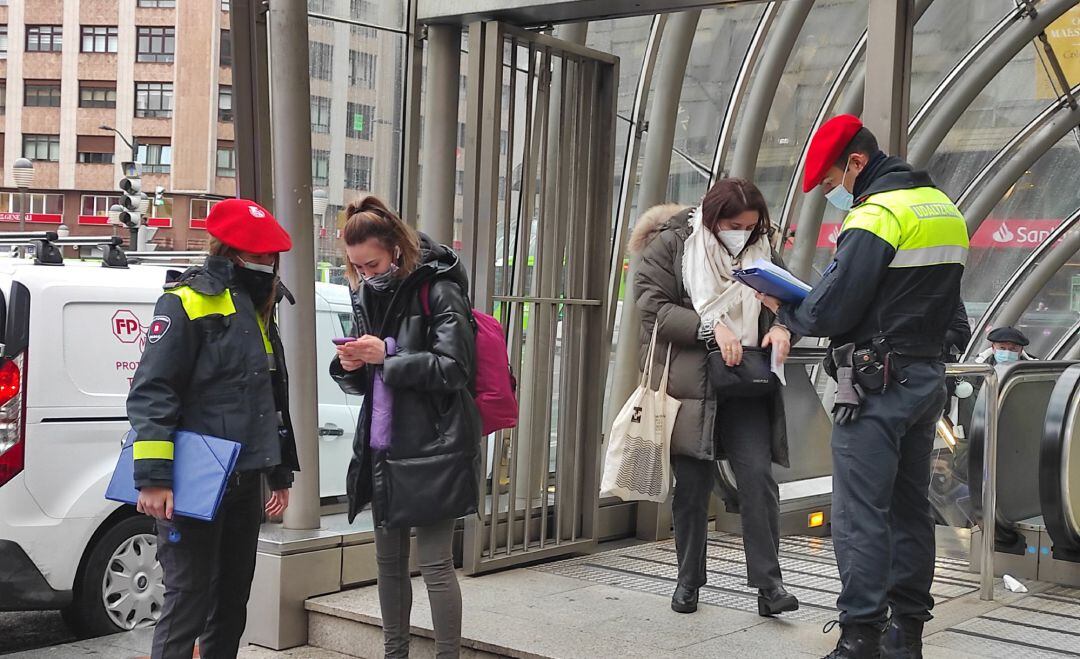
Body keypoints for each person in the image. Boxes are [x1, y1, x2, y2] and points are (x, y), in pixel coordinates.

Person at [756, 115, 969, 659]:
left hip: (874, 386)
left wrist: (786, 308)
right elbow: (952, 312)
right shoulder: (943, 209)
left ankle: (860, 638)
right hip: (924, 383)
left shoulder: (876, 214)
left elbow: (834, 306)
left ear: (855, 163)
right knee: (909, 509)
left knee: (859, 514)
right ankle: (907, 636)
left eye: (831, 183)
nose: (833, 194)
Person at [127, 198, 300, 659]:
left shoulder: (260, 309)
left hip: (244, 478)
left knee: (231, 600)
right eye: (257, 256)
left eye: (271, 257)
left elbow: (270, 399)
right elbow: (153, 392)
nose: (266, 265)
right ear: (228, 252)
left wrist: (279, 472)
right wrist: (154, 479)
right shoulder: (186, 300)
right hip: (195, 480)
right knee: (188, 599)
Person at [632, 178, 800, 619]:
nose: (742, 232)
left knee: (758, 480)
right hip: (691, 385)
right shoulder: (674, 244)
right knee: (692, 487)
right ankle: (688, 580)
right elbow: (651, 307)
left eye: (750, 225)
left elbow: (790, 302)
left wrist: (783, 327)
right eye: (733, 224)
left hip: (748, 382)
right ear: (712, 218)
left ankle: (770, 585)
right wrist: (710, 327)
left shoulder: (762, 247)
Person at [330, 196, 481, 659]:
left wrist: (387, 357)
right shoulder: (365, 293)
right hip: (382, 442)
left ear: (396, 248)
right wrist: (351, 364)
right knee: (388, 563)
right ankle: (394, 653)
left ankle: (446, 655)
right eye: (356, 267)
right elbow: (369, 376)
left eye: (371, 263)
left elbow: (455, 369)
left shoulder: (439, 289)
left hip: (436, 444)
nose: (365, 274)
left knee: (435, 564)